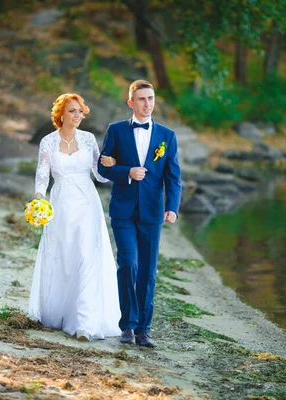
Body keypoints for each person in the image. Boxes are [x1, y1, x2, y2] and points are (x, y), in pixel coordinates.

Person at [28, 92, 121, 342]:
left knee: (85, 256)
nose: (78, 115)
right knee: (64, 256)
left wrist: (112, 165)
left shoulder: (89, 139)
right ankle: (60, 313)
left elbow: (99, 175)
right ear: (61, 114)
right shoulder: (48, 142)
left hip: (87, 204)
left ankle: (84, 323)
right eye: (72, 111)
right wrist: (39, 198)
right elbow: (42, 174)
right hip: (60, 204)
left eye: (80, 111)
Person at [97, 79, 182, 347]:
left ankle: (144, 328)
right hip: (123, 209)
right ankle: (127, 326)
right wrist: (127, 172)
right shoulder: (116, 130)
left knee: (148, 270)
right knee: (128, 264)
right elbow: (103, 167)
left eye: (151, 98)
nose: (148, 104)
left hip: (153, 212)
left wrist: (173, 207)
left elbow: (174, 176)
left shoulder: (167, 136)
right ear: (131, 103)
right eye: (142, 99)